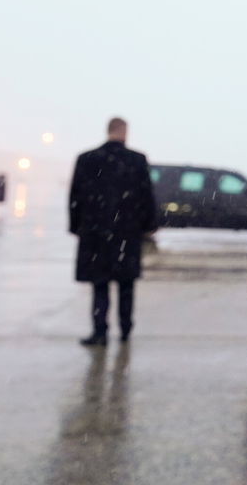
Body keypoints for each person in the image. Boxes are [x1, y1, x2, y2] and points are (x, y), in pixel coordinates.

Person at [68, 117, 157, 346]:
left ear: (108, 131)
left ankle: (100, 332)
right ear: (125, 132)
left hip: (95, 233)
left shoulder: (86, 159)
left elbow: (75, 197)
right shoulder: (137, 160)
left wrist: (77, 227)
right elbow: (147, 197)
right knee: (126, 285)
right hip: (127, 233)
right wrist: (148, 226)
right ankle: (125, 329)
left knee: (100, 285)